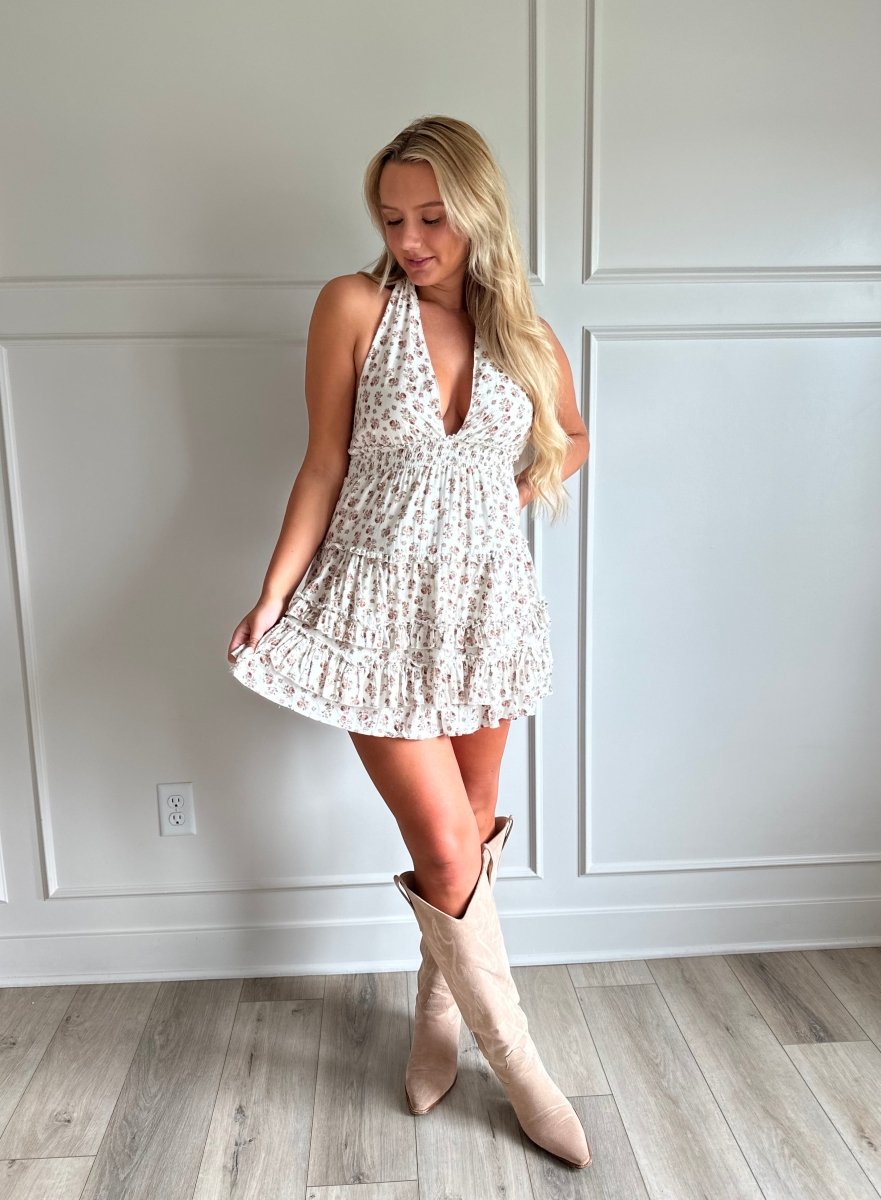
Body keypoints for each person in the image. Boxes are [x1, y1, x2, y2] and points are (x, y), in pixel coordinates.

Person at [227, 116, 591, 1169]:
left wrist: (520, 488)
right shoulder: (354, 306)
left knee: (468, 830)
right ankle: (520, 1065)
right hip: (372, 611)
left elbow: (572, 435)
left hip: (484, 609)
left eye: (432, 217)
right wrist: (274, 592)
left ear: (479, 213)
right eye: (392, 218)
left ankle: (437, 1012)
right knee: (442, 844)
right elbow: (322, 463)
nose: (410, 239)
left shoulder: (525, 334)